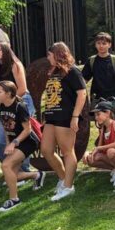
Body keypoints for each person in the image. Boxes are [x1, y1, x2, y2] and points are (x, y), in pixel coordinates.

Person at [39, 42, 88, 201]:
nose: (48, 58)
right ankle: (63, 179)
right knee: (46, 150)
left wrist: (75, 117)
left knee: (68, 151)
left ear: (57, 54)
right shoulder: (54, 71)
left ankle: (68, 186)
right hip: (51, 117)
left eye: (49, 54)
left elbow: (82, 94)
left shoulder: (73, 71)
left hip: (66, 117)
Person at [0, 80, 45, 212]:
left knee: (6, 166)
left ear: (9, 93)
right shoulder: (0, 106)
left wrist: (14, 143)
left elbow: (27, 130)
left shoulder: (20, 107)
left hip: (28, 141)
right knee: (11, 175)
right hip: (14, 142)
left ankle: (14, 199)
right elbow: (5, 127)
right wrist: (7, 143)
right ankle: (36, 175)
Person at [0, 42, 34, 172]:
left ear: (6, 50)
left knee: (20, 136)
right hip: (2, 105)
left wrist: (8, 102)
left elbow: (22, 88)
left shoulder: (15, 65)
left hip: (21, 101)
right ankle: (10, 170)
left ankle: (24, 171)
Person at [82, 100, 115, 187]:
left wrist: (98, 148)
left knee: (111, 151)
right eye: (95, 115)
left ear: (107, 113)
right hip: (113, 157)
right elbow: (99, 148)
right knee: (91, 159)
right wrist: (88, 153)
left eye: (98, 114)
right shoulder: (102, 128)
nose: (96, 118)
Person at [81, 32, 115, 103]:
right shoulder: (91, 60)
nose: (101, 46)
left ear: (109, 45)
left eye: (104, 43)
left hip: (113, 99)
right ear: (95, 45)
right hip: (96, 99)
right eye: (98, 43)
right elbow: (83, 80)